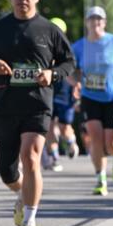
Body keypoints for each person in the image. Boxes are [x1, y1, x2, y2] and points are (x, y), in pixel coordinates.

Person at [0, 0, 75, 226]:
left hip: (37, 104)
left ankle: (30, 220)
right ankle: (22, 193)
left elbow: (68, 62)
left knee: (31, 157)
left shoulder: (49, 30)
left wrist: (53, 74)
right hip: (5, 105)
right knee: (7, 172)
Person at [71, 6, 113, 196]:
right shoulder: (79, 46)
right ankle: (101, 178)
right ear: (87, 23)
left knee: (112, 142)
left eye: (99, 19)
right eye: (92, 19)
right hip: (90, 97)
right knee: (95, 137)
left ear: (104, 22)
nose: (95, 22)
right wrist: (75, 83)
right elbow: (69, 70)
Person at [43, 17, 78, 171]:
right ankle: (54, 157)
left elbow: (72, 71)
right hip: (48, 92)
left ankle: (70, 142)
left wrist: (76, 86)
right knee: (49, 126)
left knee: (64, 127)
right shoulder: (42, 47)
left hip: (64, 94)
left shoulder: (68, 49)